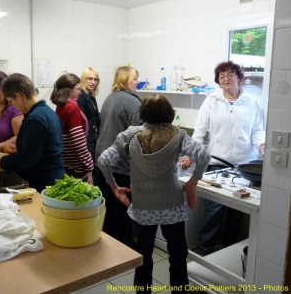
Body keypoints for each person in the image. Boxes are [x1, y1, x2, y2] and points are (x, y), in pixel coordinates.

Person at [98, 94, 210, 294]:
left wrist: (114, 186)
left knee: (143, 254)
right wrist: (193, 181)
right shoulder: (178, 135)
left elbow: (104, 160)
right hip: (171, 205)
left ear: (144, 114)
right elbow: (204, 155)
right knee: (177, 254)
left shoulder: (130, 134)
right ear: (169, 113)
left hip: (143, 206)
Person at [184, 61, 265, 256]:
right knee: (215, 209)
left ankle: (229, 250)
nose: (226, 78)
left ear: (239, 77)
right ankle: (204, 251)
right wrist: (191, 154)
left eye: (229, 74)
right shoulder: (212, 100)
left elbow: (257, 130)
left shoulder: (252, 102)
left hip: (245, 165)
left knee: (238, 210)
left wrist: (262, 145)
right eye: (221, 76)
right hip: (217, 165)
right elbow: (199, 132)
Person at [0, 73, 65, 192]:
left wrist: (1, 162)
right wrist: (20, 148)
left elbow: (27, 159)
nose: (13, 106)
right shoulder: (48, 112)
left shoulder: (35, 119)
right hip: (53, 175)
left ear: (19, 96)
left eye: (11, 101)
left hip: (44, 180)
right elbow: (44, 148)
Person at [95, 65, 142, 247]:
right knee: (122, 211)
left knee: (108, 210)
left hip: (103, 160)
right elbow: (136, 139)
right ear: (124, 80)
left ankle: (106, 245)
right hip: (120, 164)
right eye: (134, 78)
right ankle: (122, 249)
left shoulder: (110, 98)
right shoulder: (134, 103)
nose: (138, 82)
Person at [50, 73, 94, 183]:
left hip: (66, 164)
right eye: (78, 89)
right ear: (68, 90)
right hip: (77, 167)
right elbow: (78, 141)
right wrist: (89, 165)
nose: (80, 92)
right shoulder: (72, 108)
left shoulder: (61, 106)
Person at [77, 67, 101, 159]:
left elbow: (95, 116)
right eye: (89, 79)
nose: (93, 82)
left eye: (95, 79)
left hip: (92, 138)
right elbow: (80, 122)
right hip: (85, 141)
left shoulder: (90, 96)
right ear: (83, 79)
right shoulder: (81, 96)